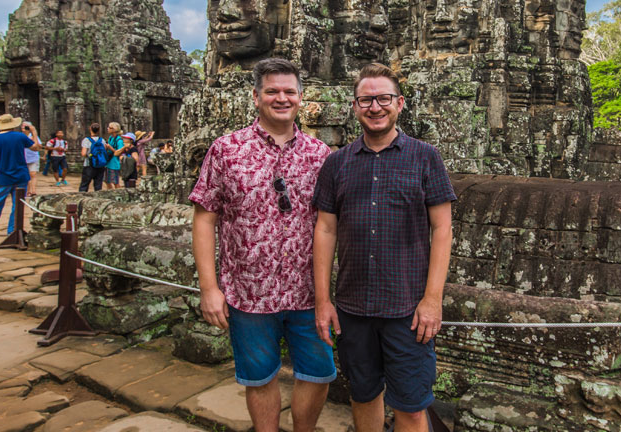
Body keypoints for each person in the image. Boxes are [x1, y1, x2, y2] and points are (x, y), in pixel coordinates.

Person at [190, 58, 334, 432]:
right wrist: (209, 288)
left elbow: (333, 225)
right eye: (272, 91)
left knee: (318, 374)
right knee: (259, 378)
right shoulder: (226, 150)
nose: (281, 98)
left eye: (289, 91)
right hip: (249, 292)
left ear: (302, 98)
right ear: (256, 97)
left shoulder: (322, 157)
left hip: (308, 293)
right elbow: (205, 218)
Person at [312, 63, 456, 432]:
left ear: (400, 103)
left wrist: (433, 299)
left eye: (383, 98)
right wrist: (324, 301)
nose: (375, 107)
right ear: (355, 106)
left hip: (407, 310)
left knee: (410, 406)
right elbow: (325, 230)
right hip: (352, 308)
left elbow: (442, 229)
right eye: (366, 100)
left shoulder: (425, 157)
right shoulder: (336, 163)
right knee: (363, 396)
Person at [0, 115, 41, 238]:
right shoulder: (20, 137)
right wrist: (33, 132)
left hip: (2, 176)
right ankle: (13, 231)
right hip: (20, 176)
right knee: (17, 205)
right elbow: (36, 148)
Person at [79, 123, 107, 192]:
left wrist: (89, 156)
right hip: (100, 165)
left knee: (84, 185)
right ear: (98, 130)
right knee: (98, 185)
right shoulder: (102, 140)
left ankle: (82, 199)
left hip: (89, 165)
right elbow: (104, 151)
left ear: (90, 129)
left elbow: (83, 153)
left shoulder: (86, 140)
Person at [104, 122, 124, 190]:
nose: (107, 128)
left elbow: (119, 152)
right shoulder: (111, 138)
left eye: (109, 127)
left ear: (114, 129)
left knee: (115, 182)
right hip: (108, 162)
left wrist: (110, 148)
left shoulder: (119, 140)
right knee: (107, 181)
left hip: (114, 163)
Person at [22, 121, 40, 197]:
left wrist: (34, 134)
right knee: (26, 175)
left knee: (33, 174)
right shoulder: (20, 136)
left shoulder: (33, 136)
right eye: (22, 126)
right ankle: (28, 190)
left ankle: (33, 190)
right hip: (23, 157)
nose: (23, 127)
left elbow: (38, 147)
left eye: (25, 126)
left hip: (32, 157)